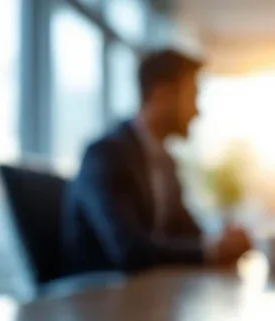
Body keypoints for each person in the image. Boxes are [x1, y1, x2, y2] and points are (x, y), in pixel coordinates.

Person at [63, 49, 251, 274]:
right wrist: (210, 250)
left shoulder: (167, 163)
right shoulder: (105, 155)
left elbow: (188, 233)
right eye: (192, 97)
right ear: (162, 95)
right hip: (99, 298)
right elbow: (129, 251)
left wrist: (221, 241)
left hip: (150, 294)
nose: (197, 111)